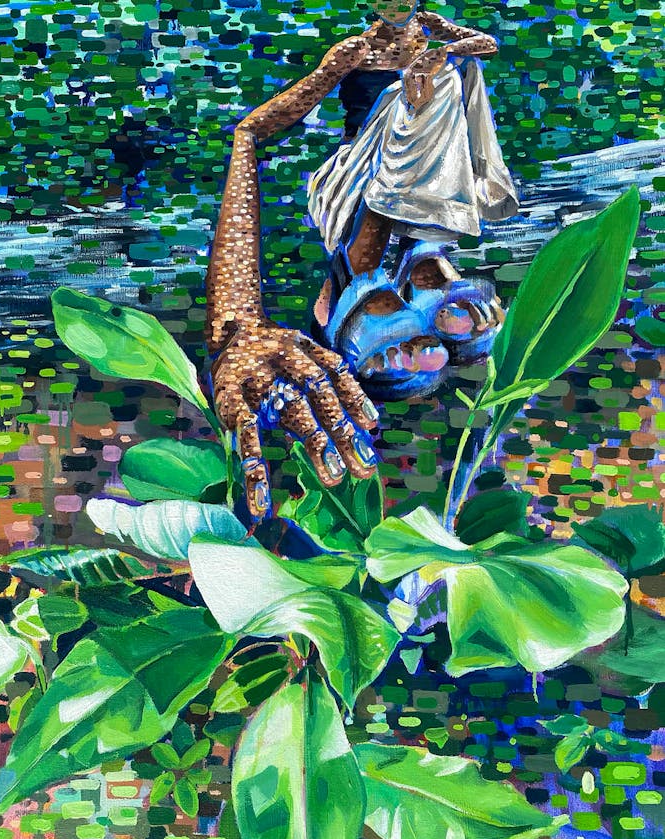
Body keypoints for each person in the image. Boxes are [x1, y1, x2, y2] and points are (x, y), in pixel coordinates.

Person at [205, 1, 519, 519]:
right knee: (404, 112)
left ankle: (423, 263)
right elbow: (255, 129)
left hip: (425, 181)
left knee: (444, 84)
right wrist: (236, 325)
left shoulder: (434, 36)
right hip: (363, 175)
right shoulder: (356, 50)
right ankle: (373, 278)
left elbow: (483, 45)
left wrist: (443, 53)